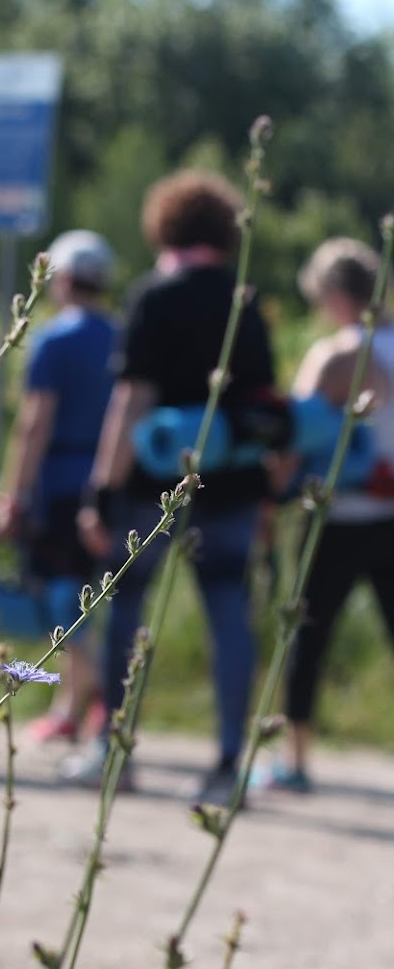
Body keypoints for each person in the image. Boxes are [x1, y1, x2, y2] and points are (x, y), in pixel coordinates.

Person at [63, 170, 277, 805]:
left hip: (152, 486)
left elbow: (132, 396)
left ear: (165, 226)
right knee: (228, 614)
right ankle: (229, 761)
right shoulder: (245, 303)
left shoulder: (155, 296)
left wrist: (102, 487)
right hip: (234, 485)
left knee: (126, 608)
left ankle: (115, 750)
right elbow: (265, 408)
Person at [258, 238, 394, 792]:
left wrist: (269, 497)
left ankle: (295, 760)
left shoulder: (337, 356)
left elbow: (292, 439)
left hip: (335, 520)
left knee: (306, 638)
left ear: (335, 295)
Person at [0, 230, 117, 740]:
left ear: (61, 280)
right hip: (110, 484)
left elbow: (34, 423)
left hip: (60, 484)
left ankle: (95, 690)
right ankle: (71, 705)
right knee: (91, 592)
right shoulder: (120, 336)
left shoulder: (53, 341)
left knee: (60, 597)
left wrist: (14, 494)